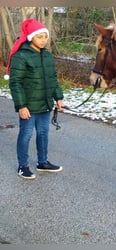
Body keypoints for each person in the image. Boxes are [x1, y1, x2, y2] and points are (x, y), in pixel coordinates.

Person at [4, 18, 64, 180]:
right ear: (31, 37)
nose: (43, 40)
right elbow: (15, 83)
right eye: (40, 37)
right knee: (26, 134)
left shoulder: (47, 56)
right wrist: (21, 106)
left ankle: (42, 162)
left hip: (45, 103)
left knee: (43, 133)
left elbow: (52, 79)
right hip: (28, 106)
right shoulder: (21, 56)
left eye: (45, 36)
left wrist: (58, 97)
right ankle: (23, 166)